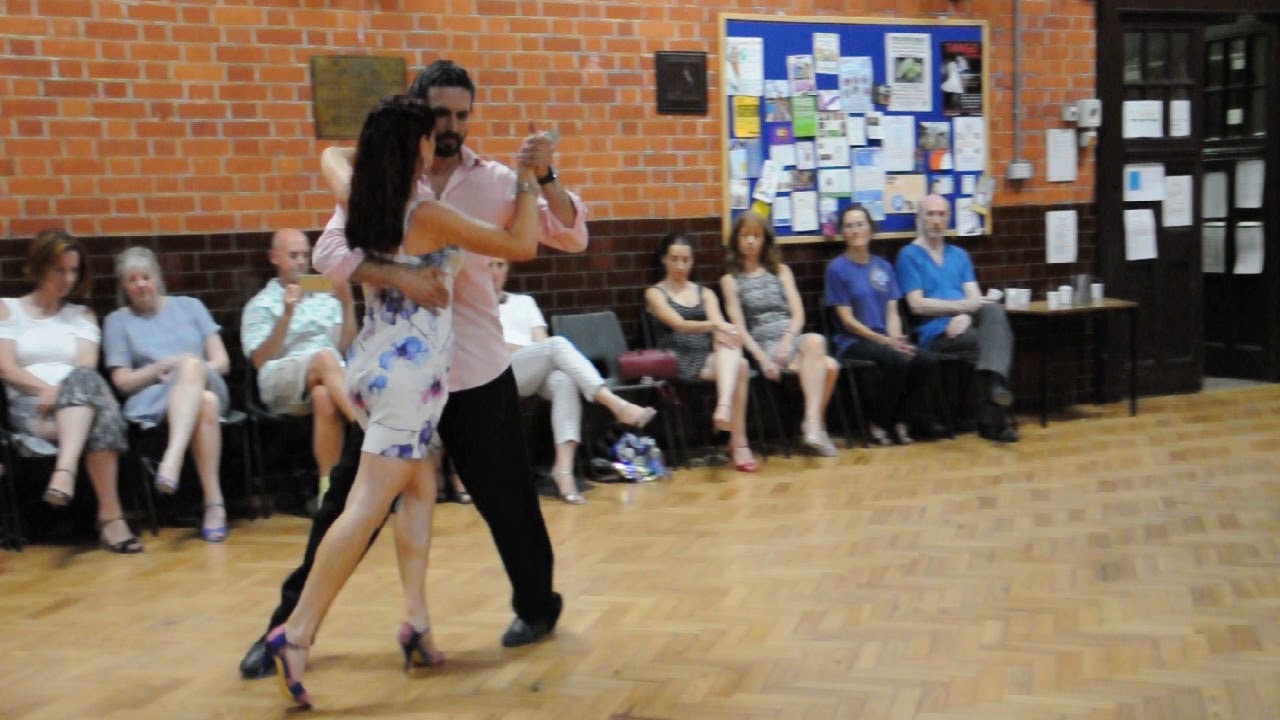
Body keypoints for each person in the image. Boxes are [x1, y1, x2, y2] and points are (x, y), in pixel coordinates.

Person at [239, 59, 588, 680]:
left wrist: (543, 176)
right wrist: (398, 274)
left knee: (499, 499)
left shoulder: (492, 180)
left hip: (474, 369)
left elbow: (571, 237)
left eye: (462, 114)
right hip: (408, 376)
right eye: (440, 116)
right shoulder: (392, 188)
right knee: (353, 502)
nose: (451, 126)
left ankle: (496, 611)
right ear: (419, 118)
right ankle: (288, 625)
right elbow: (327, 249)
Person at [0, 229, 140, 554]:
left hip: (77, 404)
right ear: (38, 267)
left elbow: (85, 368)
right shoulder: (8, 309)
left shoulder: (82, 315)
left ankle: (65, 472)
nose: (68, 279)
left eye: (74, 271)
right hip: (32, 407)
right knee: (102, 413)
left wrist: (63, 390)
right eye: (59, 270)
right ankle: (112, 519)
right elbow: (5, 367)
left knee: (85, 382)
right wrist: (46, 388)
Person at [492, 257, 655, 504]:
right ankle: (615, 404)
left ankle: (563, 470)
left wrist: (533, 352)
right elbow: (494, 348)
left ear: (508, 268)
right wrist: (532, 351)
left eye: (500, 265)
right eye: (489, 265)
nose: (495, 271)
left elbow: (541, 341)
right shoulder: (473, 306)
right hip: (496, 373)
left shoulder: (525, 302)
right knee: (557, 345)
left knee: (564, 380)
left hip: (533, 367)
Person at [103, 247, 232, 542]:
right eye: (132, 279)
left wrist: (189, 369)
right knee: (205, 403)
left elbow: (222, 362)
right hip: (154, 398)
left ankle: (171, 459)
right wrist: (159, 368)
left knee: (193, 368)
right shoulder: (117, 321)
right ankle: (214, 505)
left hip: (208, 380)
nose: (140, 284)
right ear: (123, 286)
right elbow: (122, 382)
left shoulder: (190, 306)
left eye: (145, 277)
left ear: (158, 279)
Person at [241, 227, 361, 508]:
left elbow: (345, 347)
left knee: (324, 395)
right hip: (279, 377)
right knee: (324, 359)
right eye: (293, 255)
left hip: (328, 375)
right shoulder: (260, 304)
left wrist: (346, 303)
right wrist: (286, 315)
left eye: (305, 255)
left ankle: (327, 491)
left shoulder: (321, 293)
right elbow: (259, 360)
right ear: (274, 258)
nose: (301, 262)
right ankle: (365, 430)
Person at [895, 194, 1018, 443]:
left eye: (941, 214)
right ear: (920, 218)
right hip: (935, 334)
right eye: (930, 214)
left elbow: (976, 296)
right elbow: (917, 305)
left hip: (964, 326)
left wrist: (963, 314)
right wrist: (962, 309)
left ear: (948, 218)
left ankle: (993, 396)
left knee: (994, 311)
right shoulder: (908, 255)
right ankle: (994, 413)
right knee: (993, 341)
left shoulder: (960, 255)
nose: (936, 220)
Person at [720, 212, 840, 457]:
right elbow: (739, 327)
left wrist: (787, 341)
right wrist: (762, 359)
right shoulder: (730, 280)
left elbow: (798, 314)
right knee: (829, 366)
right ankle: (815, 428)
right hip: (761, 342)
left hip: (789, 337)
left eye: (756, 236)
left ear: (765, 240)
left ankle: (811, 424)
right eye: (745, 236)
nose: (751, 241)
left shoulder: (781, 271)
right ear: (736, 240)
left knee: (816, 341)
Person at [824, 205, 941, 446]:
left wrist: (896, 339)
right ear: (843, 232)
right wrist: (885, 342)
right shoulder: (836, 269)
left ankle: (901, 419)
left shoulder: (884, 267)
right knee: (897, 360)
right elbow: (847, 320)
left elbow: (892, 310)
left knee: (924, 360)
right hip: (853, 341)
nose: (855, 230)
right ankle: (879, 422)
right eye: (849, 225)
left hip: (885, 338)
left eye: (860, 224)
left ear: (870, 228)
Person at [643, 233, 756, 471]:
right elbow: (678, 324)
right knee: (740, 367)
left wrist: (725, 332)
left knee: (740, 362)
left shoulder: (705, 293)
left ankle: (727, 413)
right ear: (664, 260)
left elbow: (719, 328)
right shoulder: (654, 293)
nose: (680, 265)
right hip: (674, 357)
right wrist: (715, 326)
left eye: (686, 260)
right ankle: (739, 442)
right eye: (675, 259)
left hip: (706, 355)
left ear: (693, 262)